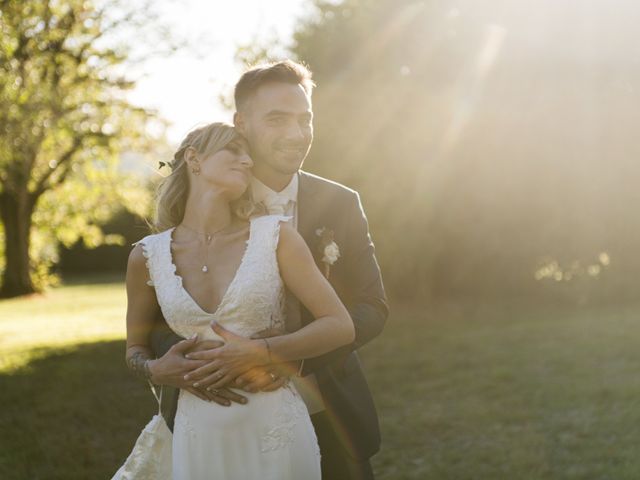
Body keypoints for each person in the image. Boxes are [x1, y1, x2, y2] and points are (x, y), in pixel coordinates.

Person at [149, 60, 388, 480]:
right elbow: (157, 313)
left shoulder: (341, 203)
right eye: (277, 120)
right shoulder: (204, 199)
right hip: (220, 414)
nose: (296, 134)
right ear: (241, 124)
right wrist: (204, 363)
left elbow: (371, 307)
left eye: (304, 119)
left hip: (326, 409)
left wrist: (288, 359)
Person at [124, 121, 356, 479]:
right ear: (194, 159)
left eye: (249, 154)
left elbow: (340, 326)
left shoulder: (276, 236)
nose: (247, 161)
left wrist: (265, 351)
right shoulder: (147, 256)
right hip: (198, 431)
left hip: (275, 428)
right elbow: (135, 349)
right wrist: (156, 370)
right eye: (233, 150)